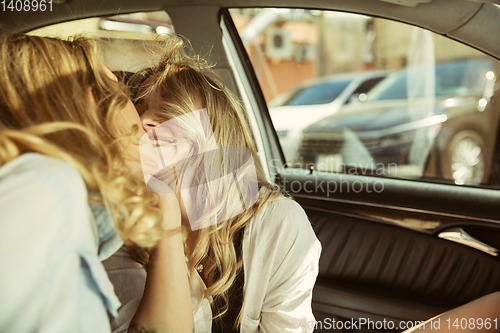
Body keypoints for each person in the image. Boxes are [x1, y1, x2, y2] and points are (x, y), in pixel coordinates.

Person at [102, 35, 322, 333]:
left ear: (217, 135)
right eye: (139, 109)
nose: (146, 121)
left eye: (170, 109)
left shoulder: (279, 224)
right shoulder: (121, 233)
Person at [0, 34, 194, 333]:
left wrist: (165, 201)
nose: (144, 122)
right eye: (130, 100)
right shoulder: (48, 190)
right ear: (93, 102)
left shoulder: (79, 212)